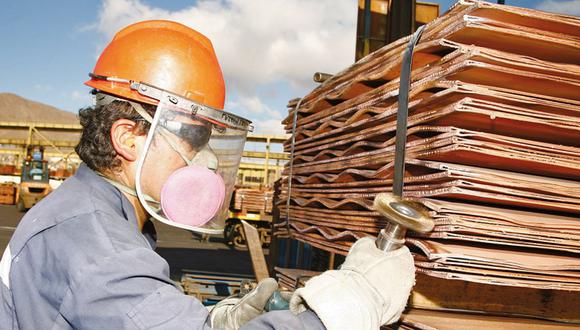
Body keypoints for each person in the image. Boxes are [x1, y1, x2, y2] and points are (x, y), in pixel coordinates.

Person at [0, 20, 415, 329]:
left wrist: (217, 320)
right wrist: (352, 303)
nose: (206, 161)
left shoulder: (94, 215)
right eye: (192, 138)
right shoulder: (98, 247)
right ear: (128, 138)